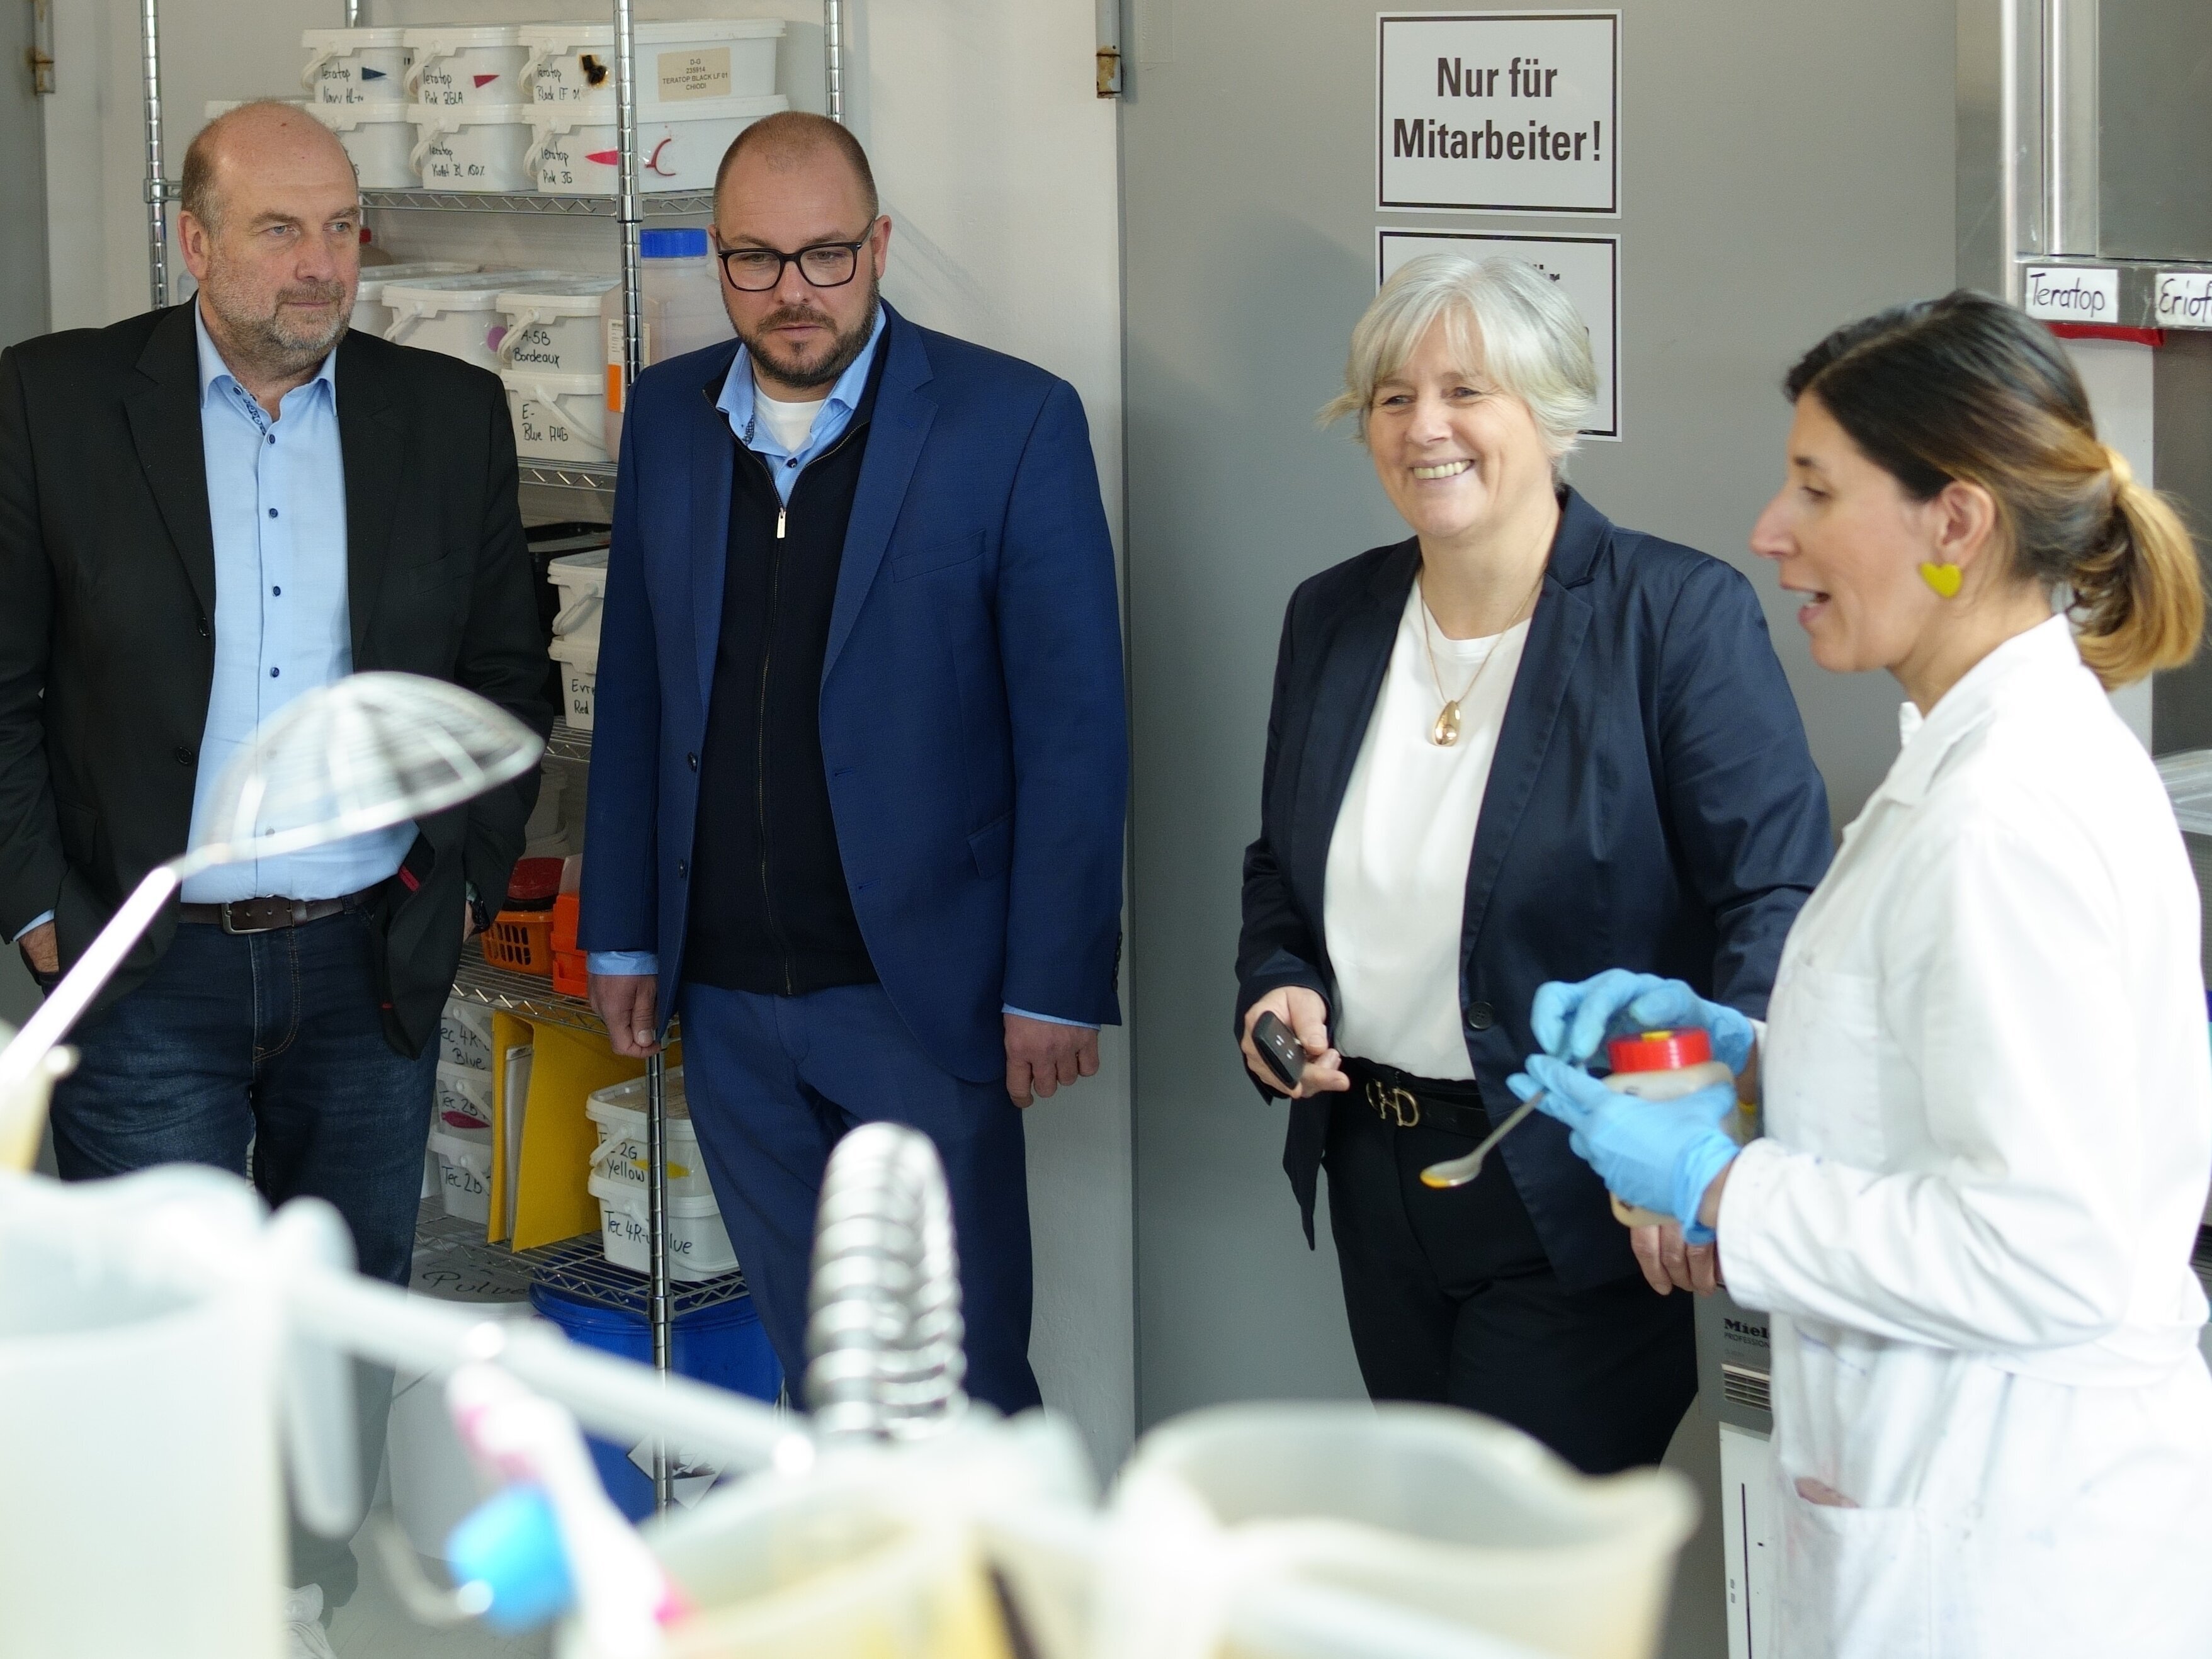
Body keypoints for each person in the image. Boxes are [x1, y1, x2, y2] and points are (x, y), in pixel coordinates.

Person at [1519, 291, 2212, 1656]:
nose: (1768, 531)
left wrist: (1715, 1182)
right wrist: (1744, 1054)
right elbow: (1944, 1076)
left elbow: (2042, 1247)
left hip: (2007, 1552)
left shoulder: (2006, 815)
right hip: (1954, 1504)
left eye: (1814, 488)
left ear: (1953, 524)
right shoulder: (1966, 760)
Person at [0, 103, 549, 1650]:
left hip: (362, 956)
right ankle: (166, 1611)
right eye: (279, 230)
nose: (322, 268)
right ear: (193, 241)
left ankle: (303, 1596)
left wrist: (452, 884)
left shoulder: (444, 416)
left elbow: (509, 684)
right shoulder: (53, 403)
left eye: (343, 228)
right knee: (159, 1329)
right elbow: (3, 692)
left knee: (339, 1318)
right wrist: (51, 918)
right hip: (144, 955)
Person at [1233, 254, 1833, 1473]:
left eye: (1466, 390)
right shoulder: (1331, 617)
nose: (1424, 426)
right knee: (1441, 1562)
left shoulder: (1671, 616)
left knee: (1499, 1591)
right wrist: (1273, 984)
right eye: (1391, 398)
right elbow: (1278, 872)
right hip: (1376, 1175)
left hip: (1574, 1191)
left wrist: (1696, 1128)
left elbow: (1773, 898)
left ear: (1549, 412)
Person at [581, 112, 1126, 1415]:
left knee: (962, 1377)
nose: (791, 293)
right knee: (815, 1370)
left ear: (878, 246)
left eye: (825, 256)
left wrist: (1055, 978)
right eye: (753, 261)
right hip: (724, 1002)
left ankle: (1005, 1617)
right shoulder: (666, 417)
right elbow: (640, 691)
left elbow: (1074, 725)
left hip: (917, 1001)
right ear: (714, 259)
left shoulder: (1010, 423)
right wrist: (620, 935)